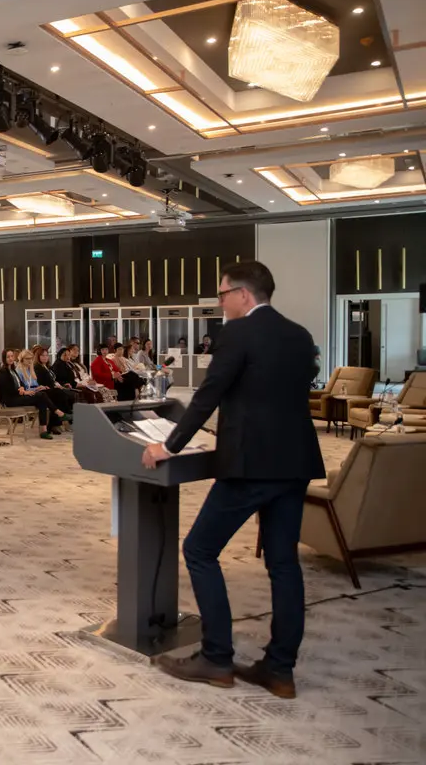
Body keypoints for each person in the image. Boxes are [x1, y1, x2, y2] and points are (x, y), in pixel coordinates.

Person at [143, 260, 324, 699]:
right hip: (295, 462)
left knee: (199, 549)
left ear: (243, 294)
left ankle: (216, 657)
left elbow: (208, 396)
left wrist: (169, 446)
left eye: (222, 294)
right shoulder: (299, 335)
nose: (220, 303)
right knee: (284, 564)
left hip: (249, 465)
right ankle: (279, 670)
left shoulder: (238, 333)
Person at [0, 349, 64, 439]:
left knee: (42, 399)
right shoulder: (2, 372)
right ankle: (58, 413)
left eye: (12, 356)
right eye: (8, 357)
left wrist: (22, 388)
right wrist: (23, 391)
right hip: (10, 400)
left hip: (17, 396)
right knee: (42, 395)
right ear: (4, 358)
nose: (11, 358)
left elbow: (20, 383)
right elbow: (8, 389)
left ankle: (43, 430)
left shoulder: (12, 370)